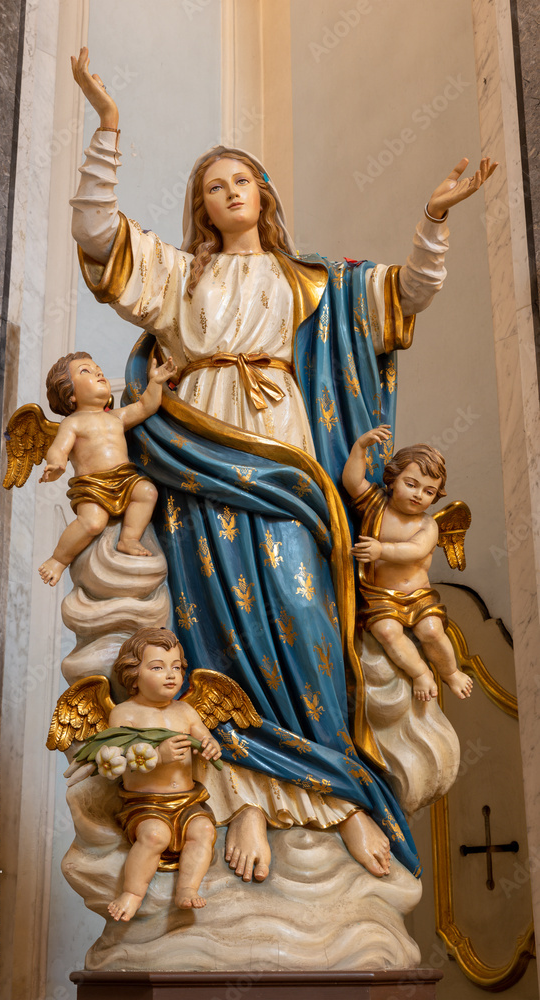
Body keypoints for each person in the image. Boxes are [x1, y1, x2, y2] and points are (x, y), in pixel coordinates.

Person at [69, 47, 497, 883]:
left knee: (307, 618)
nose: (227, 193)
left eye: (240, 180)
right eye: (210, 187)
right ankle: (246, 800)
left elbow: (404, 297)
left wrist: (434, 218)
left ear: (264, 192)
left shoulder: (312, 286)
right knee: (211, 629)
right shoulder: (176, 275)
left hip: (286, 463)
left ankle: (336, 798)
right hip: (198, 458)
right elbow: (96, 236)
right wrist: (108, 130)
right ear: (199, 207)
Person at [343, 424, 474, 701]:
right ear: (391, 480)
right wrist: (361, 447)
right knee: (387, 632)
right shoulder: (376, 504)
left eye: (428, 491)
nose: (418, 495)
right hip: (380, 597)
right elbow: (353, 482)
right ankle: (420, 673)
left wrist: (381, 550)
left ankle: (451, 673)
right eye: (411, 484)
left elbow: (415, 551)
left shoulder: (427, 524)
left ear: (436, 496)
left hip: (419, 596)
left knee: (431, 631)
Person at [102, 627, 220, 919]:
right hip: (146, 804)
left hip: (187, 801)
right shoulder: (125, 714)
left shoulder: (185, 712)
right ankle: (132, 893)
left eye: (177, 667)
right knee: (154, 836)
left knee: (204, 831)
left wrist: (210, 746)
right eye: (158, 667)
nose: (171, 675)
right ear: (134, 674)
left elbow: (205, 737)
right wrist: (158, 756)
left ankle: (188, 889)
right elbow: (115, 760)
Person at [39, 350, 175, 585]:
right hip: (93, 485)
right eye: (86, 371)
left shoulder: (116, 417)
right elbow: (59, 448)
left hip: (124, 478)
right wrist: (56, 464)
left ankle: (129, 538)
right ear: (70, 394)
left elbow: (145, 407)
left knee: (147, 492)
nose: (98, 372)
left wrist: (156, 381)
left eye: (98, 369)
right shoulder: (72, 423)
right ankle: (58, 560)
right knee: (92, 523)